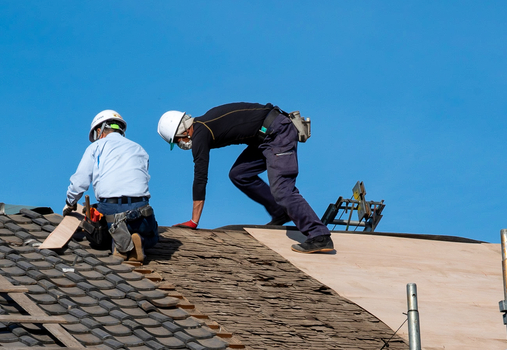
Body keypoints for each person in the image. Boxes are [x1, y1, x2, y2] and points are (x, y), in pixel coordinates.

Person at [156, 102, 334, 254]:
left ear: (184, 131)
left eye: (178, 140)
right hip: (265, 136)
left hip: (278, 133)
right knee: (239, 174)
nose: (181, 144)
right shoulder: (204, 124)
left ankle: (319, 236)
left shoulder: (200, 133)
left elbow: (200, 177)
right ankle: (279, 212)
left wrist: (194, 221)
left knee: (282, 189)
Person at [65, 110, 158, 260]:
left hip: (111, 213)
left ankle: (119, 244)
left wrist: (70, 202)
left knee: (96, 237)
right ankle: (139, 241)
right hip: (142, 214)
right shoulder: (139, 149)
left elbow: (80, 181)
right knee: (154, 237)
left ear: (99, 131)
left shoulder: (96, 147)